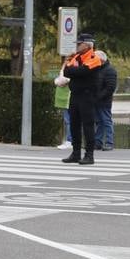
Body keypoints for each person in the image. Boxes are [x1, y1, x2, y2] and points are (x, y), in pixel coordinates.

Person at [57, 33, 102, 164]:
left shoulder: (94, 58)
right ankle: (76, 153)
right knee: (74, 124)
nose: (76, 46)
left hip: (87, 95)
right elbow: (66, 72)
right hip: (75, 95)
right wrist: (74, 69)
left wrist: (74, 69)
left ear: (87, 45)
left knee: (88, 125)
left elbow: (84, 71)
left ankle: (89, 155)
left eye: (79, 44)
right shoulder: (76, 57)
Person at [96, 50, 117, 151]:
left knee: (106, 121)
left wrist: (98, 96)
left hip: (104, 101)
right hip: (97, 100)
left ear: (101, 60)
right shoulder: (98, 69)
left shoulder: (109, 70)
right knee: (99, 122)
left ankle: (109, 142)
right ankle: (98, 142)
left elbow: (110, 88)